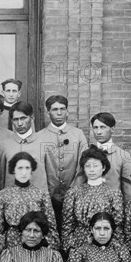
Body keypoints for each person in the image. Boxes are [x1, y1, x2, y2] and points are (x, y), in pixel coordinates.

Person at [35, 95, 89, 229]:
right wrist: (46, 193)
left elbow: (84, 164)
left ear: (67, 111)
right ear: (48, 113)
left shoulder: (78, 134)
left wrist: (73, 190)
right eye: (54, 110)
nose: (59, 113)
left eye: (62, 109)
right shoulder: (39, 136)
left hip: (74, 195)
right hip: (47, 197)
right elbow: (38, 168)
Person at [0, 152, 59, 255]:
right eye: (20, 168)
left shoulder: (42, 194)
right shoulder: (2, 195)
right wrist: (0, 251)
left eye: (27, 168)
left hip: (37, 243)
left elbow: (51, 225)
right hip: (12, 244)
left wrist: (50, 249)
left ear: (32, 170)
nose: (23, 172)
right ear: (13, 170)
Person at [62, 146, 124, 254]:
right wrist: (70, 247)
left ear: (103, 167)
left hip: (105, 243)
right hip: (79, 244)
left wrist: (115, 248)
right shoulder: (73, 192)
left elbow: (118, 225)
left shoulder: (113, 193)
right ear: (83, 168)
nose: (91, 170)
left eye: (95, 166)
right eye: (87, 166)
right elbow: (67, 224)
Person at [74, 112, 131, 202]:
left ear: (112, 129)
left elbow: (129, 189)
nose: (98, 132)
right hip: (88, 206)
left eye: (103, 127)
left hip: (113, 207)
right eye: (95, 128)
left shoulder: (123, 156)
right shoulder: (86, 153)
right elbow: (79, 182)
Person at [0, 101, 48, 191]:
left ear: (32, 118)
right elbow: (1, 178)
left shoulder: (44, 143)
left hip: (38, 200)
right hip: (12, 200)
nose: (19, 123)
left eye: (23, 118)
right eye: (15, 119)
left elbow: (51, 178)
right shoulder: (4, 145)